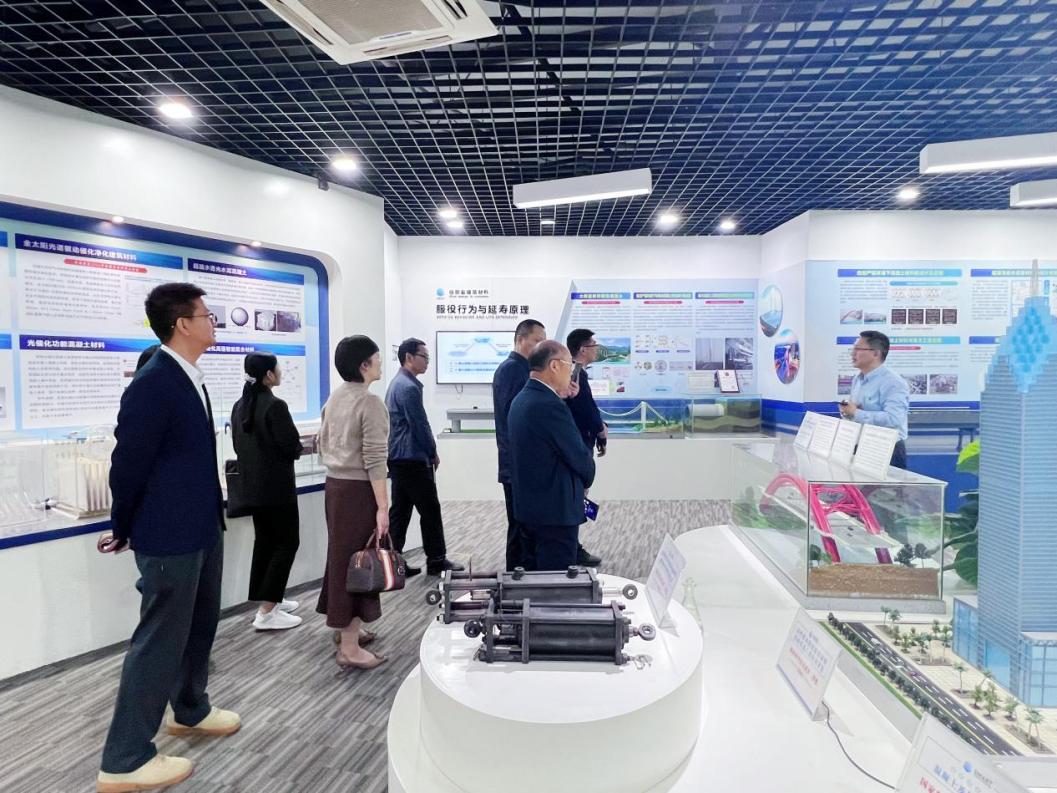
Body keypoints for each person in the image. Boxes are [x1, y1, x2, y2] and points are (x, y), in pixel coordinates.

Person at [97, 283, 239, 793]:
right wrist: (123, 525)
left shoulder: (188, 377)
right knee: (158, 640)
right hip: (169, 534)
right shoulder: (154, 381)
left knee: (199, 626)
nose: (213, 323)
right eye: (207, 315)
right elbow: (127, 463)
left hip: (201, 526)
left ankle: (191, 708)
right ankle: (124, 759)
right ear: (183, 324)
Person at [316, 335, 389, 670]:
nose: (380, 362)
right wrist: (383, 507)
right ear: (364, 365)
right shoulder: (369, 403)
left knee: (342, 558)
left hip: (335, 488)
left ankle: (347, 631)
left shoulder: (335, 397)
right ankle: (349, 647)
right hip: (358, 492)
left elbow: (322, 442)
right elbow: (375, 459)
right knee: (359, 565)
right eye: (376, 357)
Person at [231, 352, 305, 631]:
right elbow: (291, 446)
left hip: (253, 489)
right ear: (268, 375)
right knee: (286, 543)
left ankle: (272, 598)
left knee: (265, 543)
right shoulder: (275, 406)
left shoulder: (240, 406)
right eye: (277, 368)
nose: (281, 372)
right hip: (277, 490)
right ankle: (267, 611)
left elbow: (238, 446)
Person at [508, 341, 596, 570]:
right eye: (570, 366)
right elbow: (578, 456)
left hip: (531, 509)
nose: (572, 373)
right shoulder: (548, 405)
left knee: (534, 577)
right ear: (555, 366)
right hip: (554, 513)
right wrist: (588, 477)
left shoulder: (523, 399)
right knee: (555, 581)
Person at [385, 338, 463, 577]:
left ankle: (391, 563)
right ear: (409, 357)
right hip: (411, 458)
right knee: (430, 510)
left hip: (399, 457)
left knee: (400, 512)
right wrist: (432, 451)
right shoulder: (408, 387)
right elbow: (419, 424)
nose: (427, 362)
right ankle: (436, 560)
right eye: (424, 357)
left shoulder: (398, 383)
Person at [492, 318, 546, 570]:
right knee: (519, 527)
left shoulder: (523, 369)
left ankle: (523, 576)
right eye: (537, 341)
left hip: (523, 463)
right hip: (517, 464)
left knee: (526, 525)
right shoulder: (511, 370)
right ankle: (515, 579)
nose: (540, 346)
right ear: (520, 339)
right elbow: (514, 420)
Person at [564, 329, 609, 567]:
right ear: (582, 349)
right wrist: (600, 429)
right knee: (577, 495)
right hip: (578, 445)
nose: (596, 348)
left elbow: (588, 407)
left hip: (582, 442)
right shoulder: (575, 374)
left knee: (579, 495)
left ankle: (572, 546)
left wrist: (599, 428)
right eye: (593, 344)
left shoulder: (577, 372)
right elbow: (584, 409)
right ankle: (572, 549)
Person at [839, 330, 910, 469]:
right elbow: (857, 412)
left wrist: (856, 413)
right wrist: (848, 412)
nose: (853, 353)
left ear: (876, 353)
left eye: (858, 349)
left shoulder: (893, 382)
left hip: (886, 449)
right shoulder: (858, 379)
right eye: (853, 349)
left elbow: (894, 419)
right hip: (861, 445)